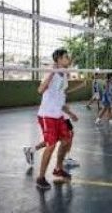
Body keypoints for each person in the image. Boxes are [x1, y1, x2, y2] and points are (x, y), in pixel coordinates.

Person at [35, 48, 73, 189]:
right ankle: (40, 178)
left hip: (59, 114)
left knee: (66, 140)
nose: (68, 58)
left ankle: (58, 168)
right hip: (47, 115)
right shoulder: (52, 72)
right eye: (66, 57)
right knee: (50, 145)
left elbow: (60, 96)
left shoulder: (64, 73)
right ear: (58, 59)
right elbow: (40, 90)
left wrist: (68, 112)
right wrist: (51, 72)